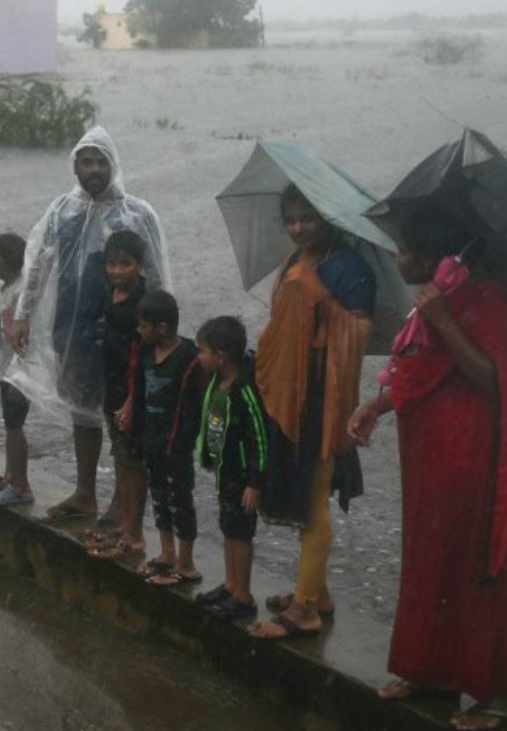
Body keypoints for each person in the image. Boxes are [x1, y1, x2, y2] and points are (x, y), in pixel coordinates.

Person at [349, 207, 507, 731]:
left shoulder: (491, 301)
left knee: (473, 563)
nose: (397, 258)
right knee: (431, 558)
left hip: (470, 460)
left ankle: (502, 695)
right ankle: (432, 672)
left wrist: (445, 320)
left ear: (431, 255)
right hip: (429, 458)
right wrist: (372, 406)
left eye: (403, 250)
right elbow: (419, 371)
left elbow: (496, 384)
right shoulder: (433, 300)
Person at [7, 125, 169, 524]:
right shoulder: (63, 209)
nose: (93, 169)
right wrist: (24, 315)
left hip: (122, 330)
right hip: (72, 327)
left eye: (100, 162)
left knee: (123, 418)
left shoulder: (136, 213)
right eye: (86, 162)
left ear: (113, 165)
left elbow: (157, 273)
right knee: (82, 411)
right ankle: (85, 493)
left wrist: (160, 330)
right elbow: (38, 264)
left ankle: (122, 504)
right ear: (75, 165)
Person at [250, 184, 375, 640]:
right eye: (291, 219)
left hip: (324, 395)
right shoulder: (293, 262)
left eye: (308, 217)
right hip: (290, 389)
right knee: (302, 493)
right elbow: (281, 317)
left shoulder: (350, 269)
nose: (299, 228)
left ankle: (304, 610)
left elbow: (361, 331)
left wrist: (321, 305)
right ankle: (315, 592)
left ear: (328, 217)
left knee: (314, 499)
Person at [117, 290, 205, 587]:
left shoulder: (189, 360)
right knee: (159, 497)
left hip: (176, 444)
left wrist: (181, 441)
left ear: (162, 327)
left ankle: (187, 563)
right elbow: (139, 391)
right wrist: (135, 429)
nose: (139, 331)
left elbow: (193, 408)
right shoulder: (145, 352)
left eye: (144, 326)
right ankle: (167, 553)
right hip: (151, 439)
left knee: (180, 500)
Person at [193, 317, 270, 622]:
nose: (198, 357)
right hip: (225, 472)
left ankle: (244, 595)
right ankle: (230, 584)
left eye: (202, 351)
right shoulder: (215, 381)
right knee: (228, 528)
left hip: (241, 477)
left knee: (240, 533)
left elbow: (258, 440)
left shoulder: (244, 391)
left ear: (220, 356)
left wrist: (255, 482)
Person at [85, 229, 149, 557]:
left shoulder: (143, 305)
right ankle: (125, 526)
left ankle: (134, 533)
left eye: (125, 264)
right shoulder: (111, 294)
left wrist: (130, 400)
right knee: (121, 458)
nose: (117, 270)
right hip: (113, 389)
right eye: (112, 263)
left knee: (135, 462)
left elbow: (143, 358)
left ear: (139, 265)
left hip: (132, 394)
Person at [0, 233, 34, 506]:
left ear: (2, 260)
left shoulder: (22, 291)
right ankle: (10, 476)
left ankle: (21, 487)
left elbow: (27, 333)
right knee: (10, 424)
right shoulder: (5, 289)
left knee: (15, 426)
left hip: (19, 370)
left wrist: (21, 374)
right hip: (8, 368)